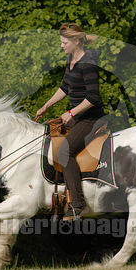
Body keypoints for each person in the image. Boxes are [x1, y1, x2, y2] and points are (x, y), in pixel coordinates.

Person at [35, 22, 106, 221]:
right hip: (78, 117)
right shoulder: (71, 59)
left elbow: (93, 98)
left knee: (64, 152)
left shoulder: (88, 64)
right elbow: (65, 87)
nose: (61, 45)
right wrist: (46, 106)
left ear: (76, 41)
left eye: (64, 42)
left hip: (91, 119)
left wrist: (72, 113)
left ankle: (77, 205)